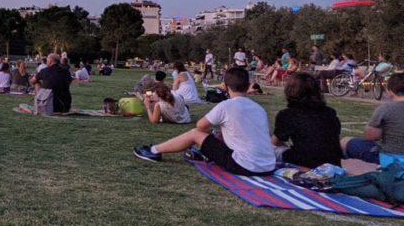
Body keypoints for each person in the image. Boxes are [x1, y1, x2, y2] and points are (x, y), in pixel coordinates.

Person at [134, 68, 275, 176]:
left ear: (225, 86)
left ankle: (153, 150)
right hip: (268, 165)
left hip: (244, 166)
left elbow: (200, 126)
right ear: (248, 85)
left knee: (196, 133)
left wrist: (214, 132)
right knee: (218, 133)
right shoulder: (259, 109)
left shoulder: (226, 106)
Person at [271, 72, 342, 168]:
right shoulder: (329, 112)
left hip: (305, 161)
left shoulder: (287, 114)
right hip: (333, 160)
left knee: (270, 149)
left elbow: (275, 142)